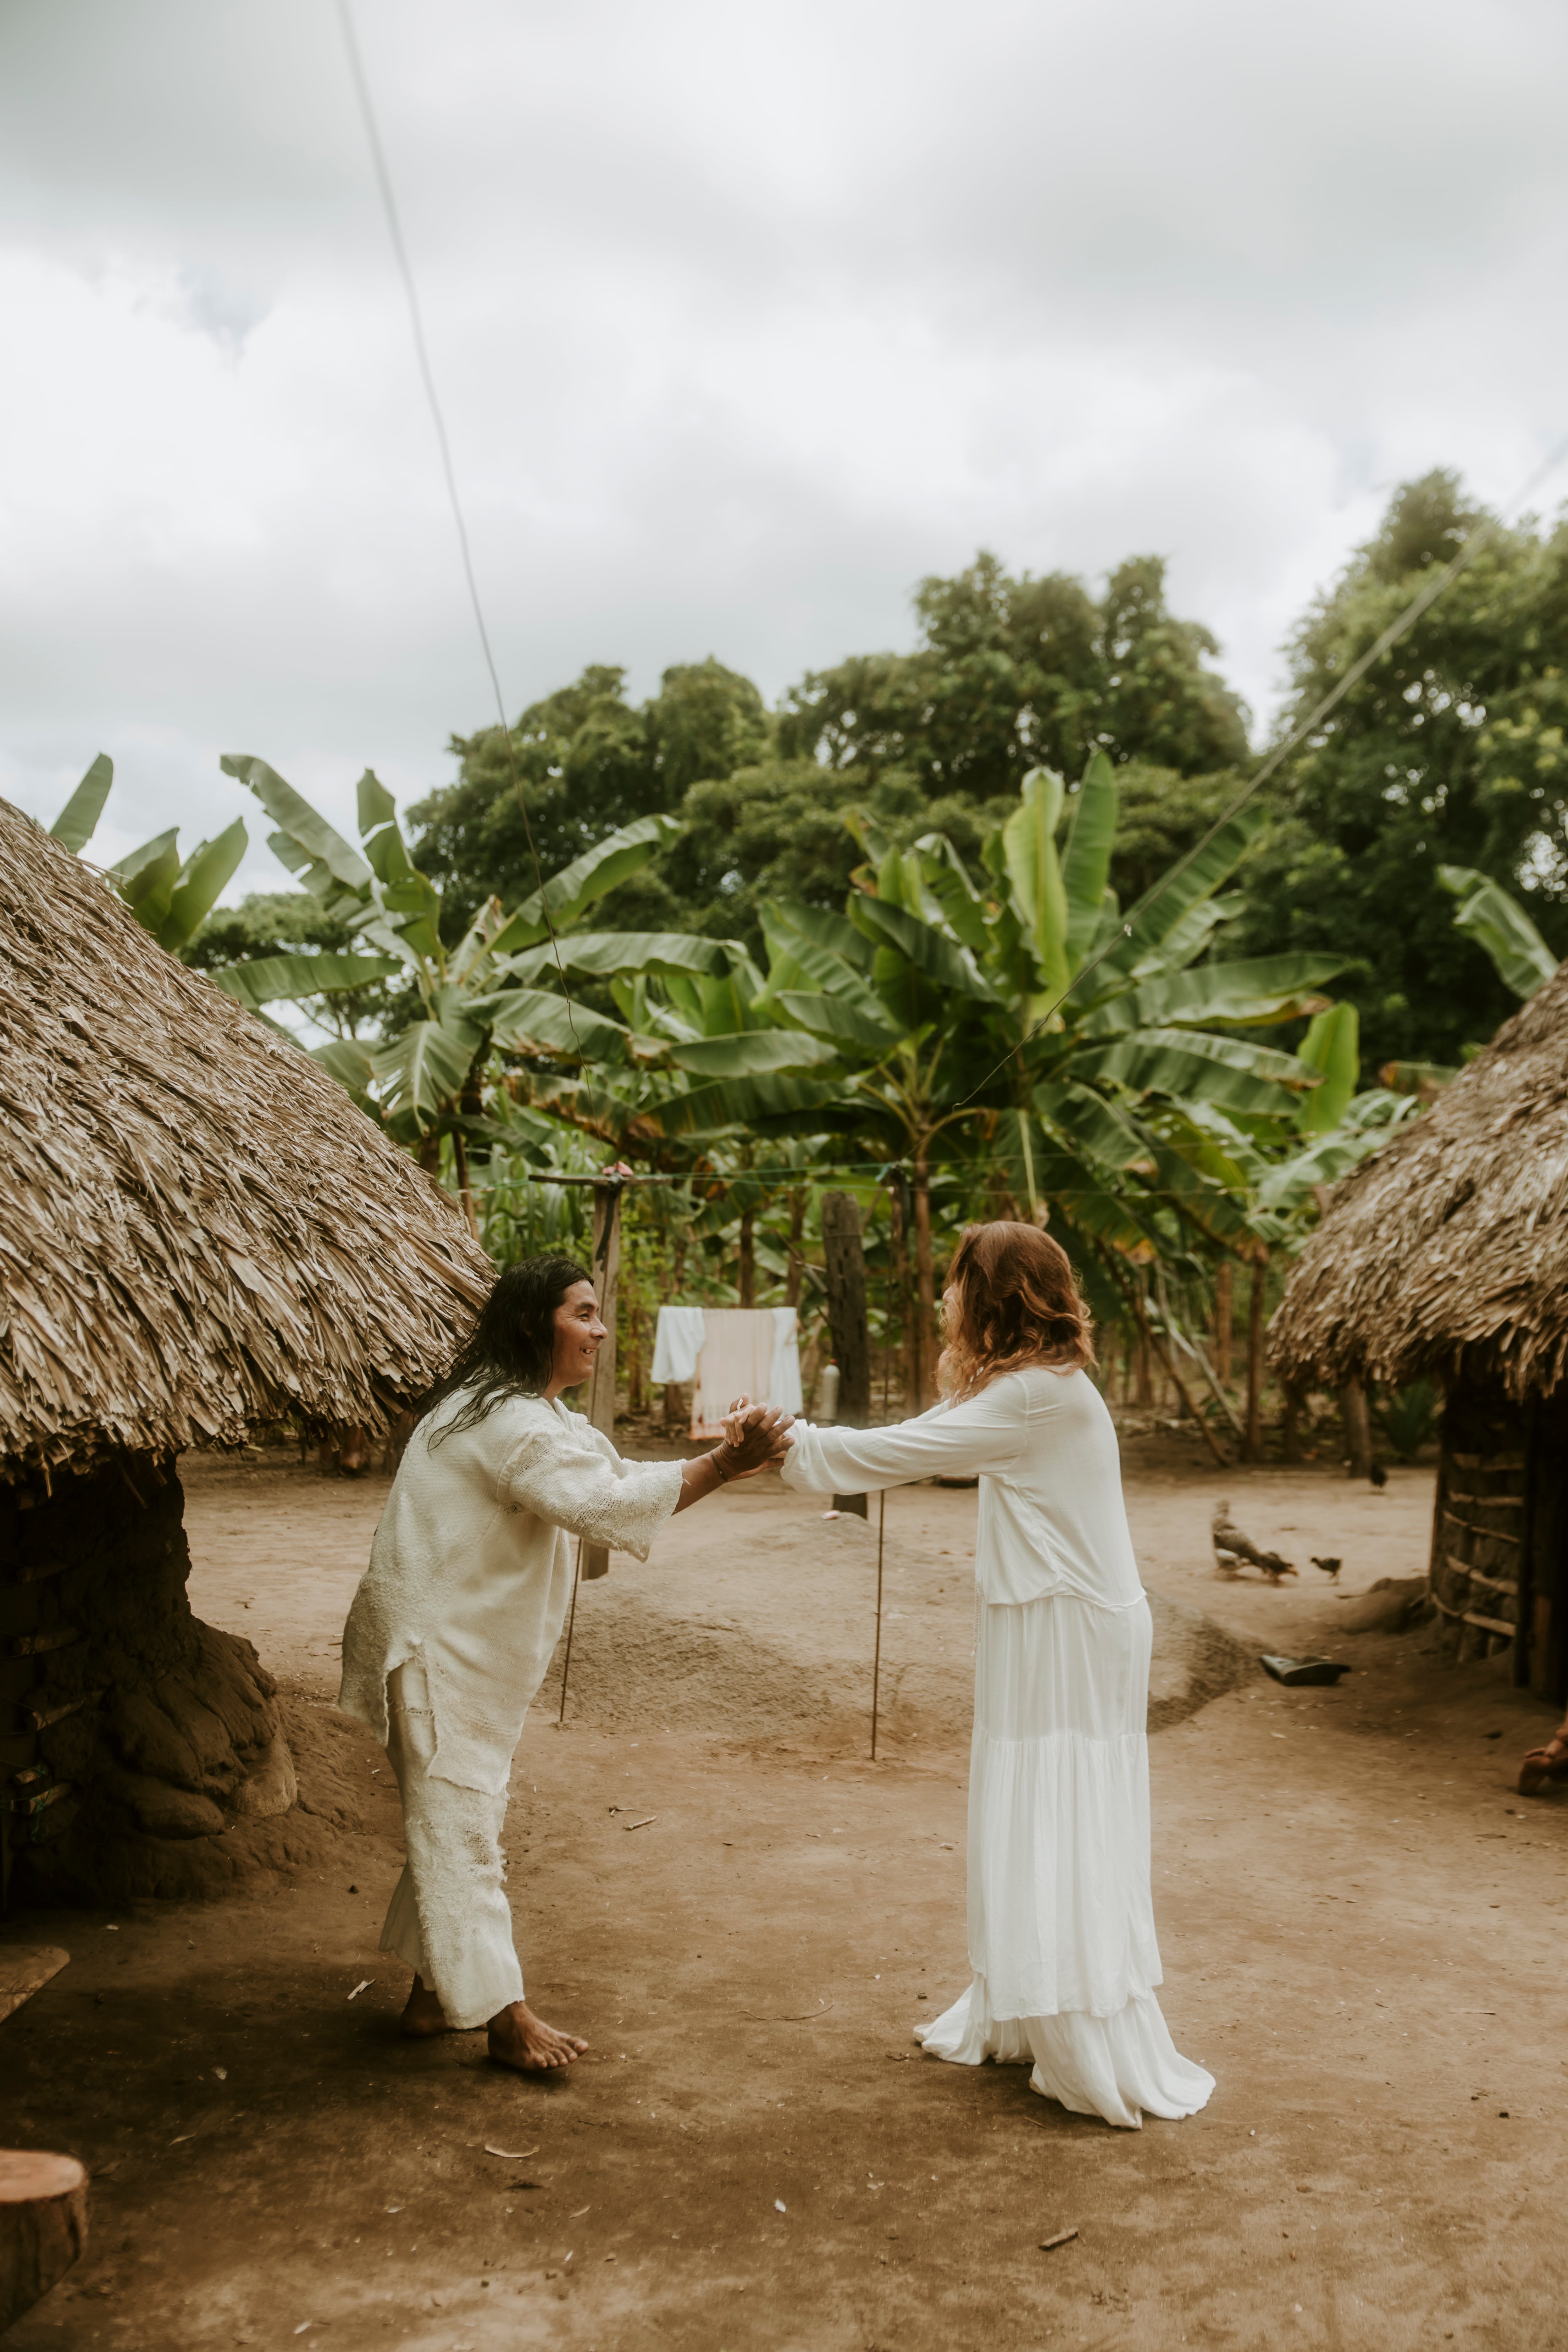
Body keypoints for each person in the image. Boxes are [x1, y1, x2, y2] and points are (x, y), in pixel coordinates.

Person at [778, 1220, 1213, 2131]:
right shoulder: (1033, 1388)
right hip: (1053, 1616)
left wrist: (788, 1444)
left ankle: (1079, 2029)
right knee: (1040, 1808)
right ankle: (1025, 2005)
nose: (943, 1300)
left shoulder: (1034, 1397)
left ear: (996, 1298)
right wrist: (803, 1441)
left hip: (1068, 1625)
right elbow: (925, 1433)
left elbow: (899, 1453)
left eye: (956, 1285)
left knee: (1058, 1812)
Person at [338, 1253, 792, 2074]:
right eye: (583, 1314)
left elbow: (613, 1478)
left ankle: (432, 1994)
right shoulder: (508, 1424)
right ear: (532, 1323)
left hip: (456, 1652)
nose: (600, 1330)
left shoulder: (524, 1412)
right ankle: (505, 2016)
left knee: (455, 1819)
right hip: (434, 1653)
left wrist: (728, 1457)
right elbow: (610, 1509)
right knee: (462, 1826)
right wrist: (726, 1463)